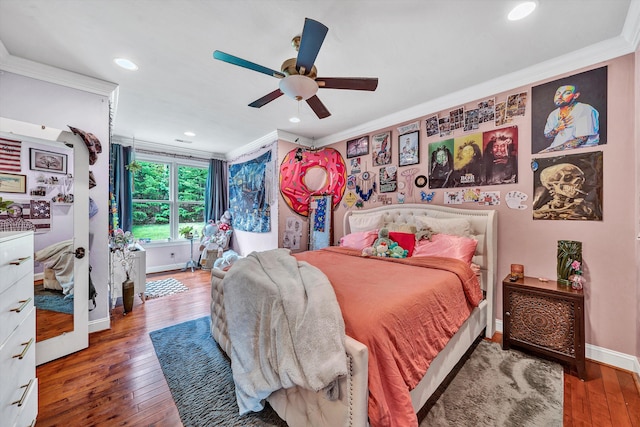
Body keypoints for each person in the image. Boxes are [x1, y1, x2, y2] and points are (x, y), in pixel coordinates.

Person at [542, 84, 599, 152]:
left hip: (581, 152)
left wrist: (552, 150)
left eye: (566, 93)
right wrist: (556, 129)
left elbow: (581, 140)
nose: (560, 97)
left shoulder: (585, 109)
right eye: (558, 93)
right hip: (557, 152)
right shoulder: (553, 114)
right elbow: (547, 136)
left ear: (575, 95)